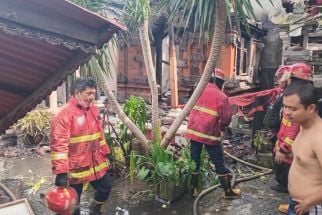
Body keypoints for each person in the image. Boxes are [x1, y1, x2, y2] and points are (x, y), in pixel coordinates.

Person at [50, 77, 114, 215]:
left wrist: (107, 153)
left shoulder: (93, 110)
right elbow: (59, 146)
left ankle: (95, 210)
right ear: (77, 93)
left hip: (95, 164)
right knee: (73, 204)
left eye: (93, 93)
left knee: (106, 187)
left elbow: (100, 135)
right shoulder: (64, 115)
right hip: (75, 168)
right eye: (88, 93)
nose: (92, 97)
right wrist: (61, 172)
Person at [185, 68, 241, 199]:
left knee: (195, 161)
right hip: (210, 135)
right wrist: (222, 128)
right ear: (220, 82)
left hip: (194, 132)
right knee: (219, 162)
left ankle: (192, 190)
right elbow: (226, 118)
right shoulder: (221, 96)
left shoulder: (198, 90)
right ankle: (227, 191)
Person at [282, 81, 322, 215]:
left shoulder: (319, 137)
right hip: (297, 203)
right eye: (285, 107)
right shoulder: (302, 126)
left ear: (310, 108)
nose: (286, 112)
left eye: (292, 108)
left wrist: (309, 202)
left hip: (311, 206)